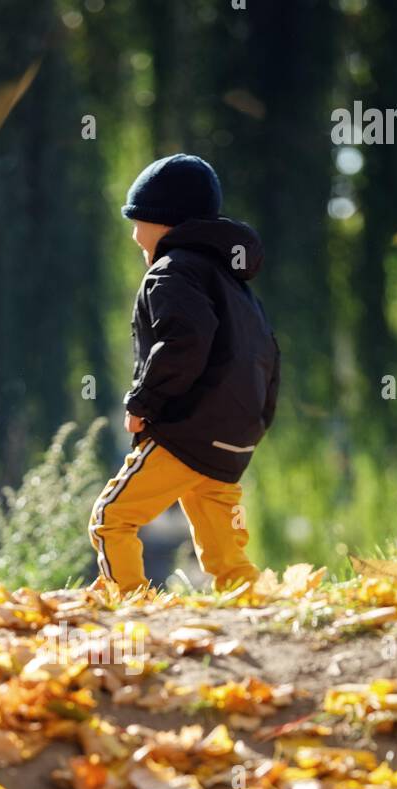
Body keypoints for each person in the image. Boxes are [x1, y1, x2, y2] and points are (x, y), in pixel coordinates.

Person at [89, 153, 280, 596]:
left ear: (163, 222)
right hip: (232, 440)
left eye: (137, 221)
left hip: (186, 433)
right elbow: (268, 355)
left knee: (112, 518)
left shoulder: (171, 271)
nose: (134, 234)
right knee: (224, 547)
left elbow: (184, 343)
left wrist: (143, 402)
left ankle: (129, 602)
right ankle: (249, 600)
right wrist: (255, 424)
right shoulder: (235, 285)